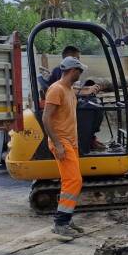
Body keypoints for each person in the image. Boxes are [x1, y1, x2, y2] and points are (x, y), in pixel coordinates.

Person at [43, 56, 87, 240]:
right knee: (73, 181)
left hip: (71, 142)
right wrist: (58, 144)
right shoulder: (56, 90)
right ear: (72, 70)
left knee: (73, 181)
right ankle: (60, 224)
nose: (81, 74)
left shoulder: (68, 90)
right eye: (80, 71)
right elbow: (46, 119)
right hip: (62, 142)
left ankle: (66, 220)